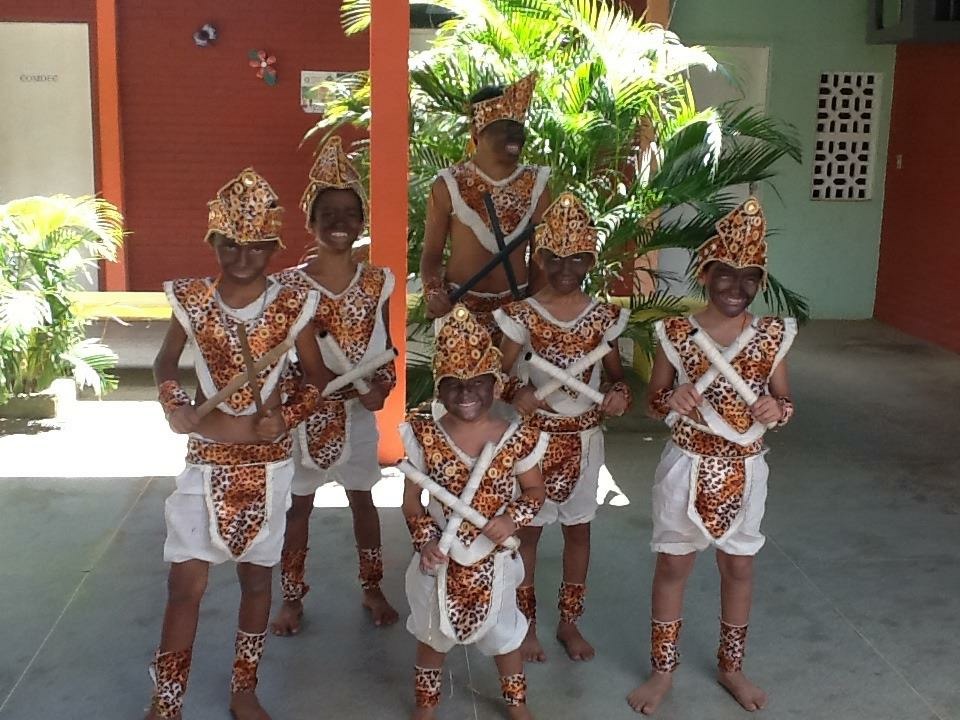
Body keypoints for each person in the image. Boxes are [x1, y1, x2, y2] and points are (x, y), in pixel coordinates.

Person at [147, 168, 332, 720]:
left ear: (274, 247)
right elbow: (164, 362)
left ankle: (244, 689)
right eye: (229, 243)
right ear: (212, 241)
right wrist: (174, 403)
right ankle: (166, 700)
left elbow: (317, 378)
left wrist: (287, 417)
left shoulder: (293, 303)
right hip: (205, 461)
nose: (242, 256)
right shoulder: (192, 298)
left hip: (268, 464)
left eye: (255, 246)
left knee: (256, 581)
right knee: (185, 584)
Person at [626, 197, 796, 715]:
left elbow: (785, 402)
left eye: (749, 278)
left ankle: (731, 666)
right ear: (705, 274)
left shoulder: (771, 336)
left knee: (739, 568)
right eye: (725, 274)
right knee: (673, 566)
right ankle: (662, 671)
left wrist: (775, 409)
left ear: (759, 283)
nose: (736, 287)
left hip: (746, 468)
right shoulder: (676, 334)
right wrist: (671, 398)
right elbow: (653, 401)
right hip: (687, 465)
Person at [494, 192, 632, 663]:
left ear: (590, 260)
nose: (565, 268)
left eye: (577, 259)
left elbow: (617, 376)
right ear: (540, 258)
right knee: (529, 534)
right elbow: (496, 376)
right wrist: (517, 392)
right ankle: (526, 624)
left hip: (586, 441)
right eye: (554, 258)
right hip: (534, 441)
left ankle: (569, 622)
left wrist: (618, 396)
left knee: (579, 532)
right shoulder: (522, 314)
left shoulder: (603, 316)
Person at [270, 136, 399, 634]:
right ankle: (291, 596)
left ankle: (372, 587)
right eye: (328, 214)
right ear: (311, 222)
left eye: (350, 213)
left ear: (362, 221)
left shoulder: (377, 282)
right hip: (304, 418)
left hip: (356, 414)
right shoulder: (287, 287)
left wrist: (381, 387)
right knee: (297, 508)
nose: (340, 222)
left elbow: (387, 348)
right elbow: (276, 359)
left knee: (363, 501)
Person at [400, 305, 548, 719]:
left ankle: (517, 704)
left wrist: (512, 518)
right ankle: (425, 706)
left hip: (493, 558)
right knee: (432, 634)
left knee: (505, 636)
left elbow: (535, 490)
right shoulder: (424, 434)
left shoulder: (515, 436)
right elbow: (411, 501)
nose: (466, 394)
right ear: (439, 388)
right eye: (454, 385)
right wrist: (425, 541)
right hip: (442, 559)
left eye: (477, 384)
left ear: (496, 386)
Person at [420, 72, 551, 342]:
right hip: (459, 313)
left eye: (518, 127)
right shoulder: (448, 184)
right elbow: (432, 254)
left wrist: (533, 310)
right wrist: (433, 292)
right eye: (503, 127)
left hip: (515, 313)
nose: (514, 135)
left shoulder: (537, 184)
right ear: (476, 133)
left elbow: (542, 258)